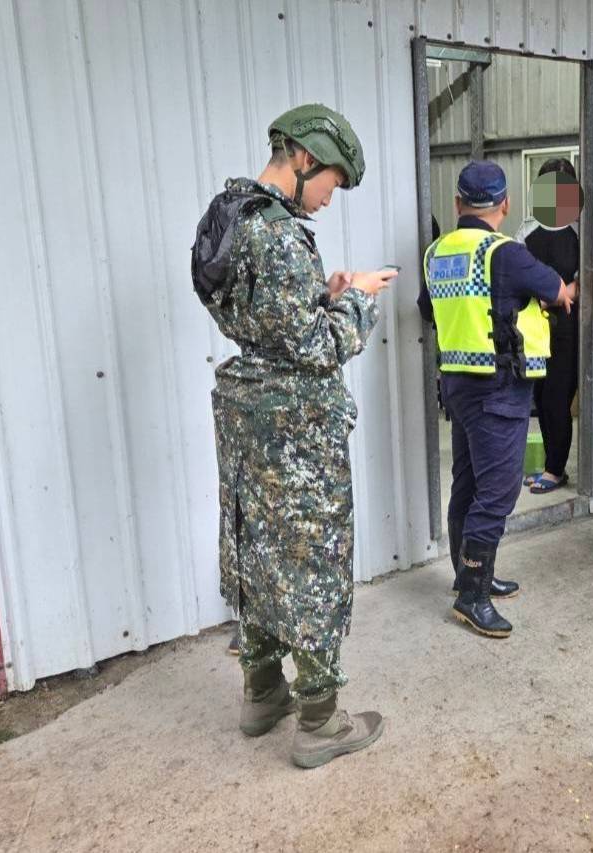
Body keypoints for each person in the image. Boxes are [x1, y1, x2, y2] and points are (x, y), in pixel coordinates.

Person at [191, 103, 396, 768]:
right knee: (311, 561)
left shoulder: (233, 215)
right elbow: (313, 346)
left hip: (249, 410)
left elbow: (263, 319)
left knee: (257, 549)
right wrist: (359, 297)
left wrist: (325, 293)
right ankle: (320, 720)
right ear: (304, 158)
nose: (330, 199)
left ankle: (262, 692)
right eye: (331, 183)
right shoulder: (278, 234)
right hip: (294, 428)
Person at [419, 161, 574, 638]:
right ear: (505, 205)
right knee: (497, 493)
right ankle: (472, 595)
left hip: (458, 384)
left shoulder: (437, 251)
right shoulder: (505, 252)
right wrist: (554, 296)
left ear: (458, 204)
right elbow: (555, 289)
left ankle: (469, 575)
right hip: (498, 388)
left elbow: (429, 310)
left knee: (466, 482)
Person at [518, 158, 581, 495]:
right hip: (534, 328)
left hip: (567, 329)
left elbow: (585, 281)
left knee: (558, 398)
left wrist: (560, 295)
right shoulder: (526, 230)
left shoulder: (581, 232)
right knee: (541, 398)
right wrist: (550, 297)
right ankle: (550, 465)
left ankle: (556, 469)